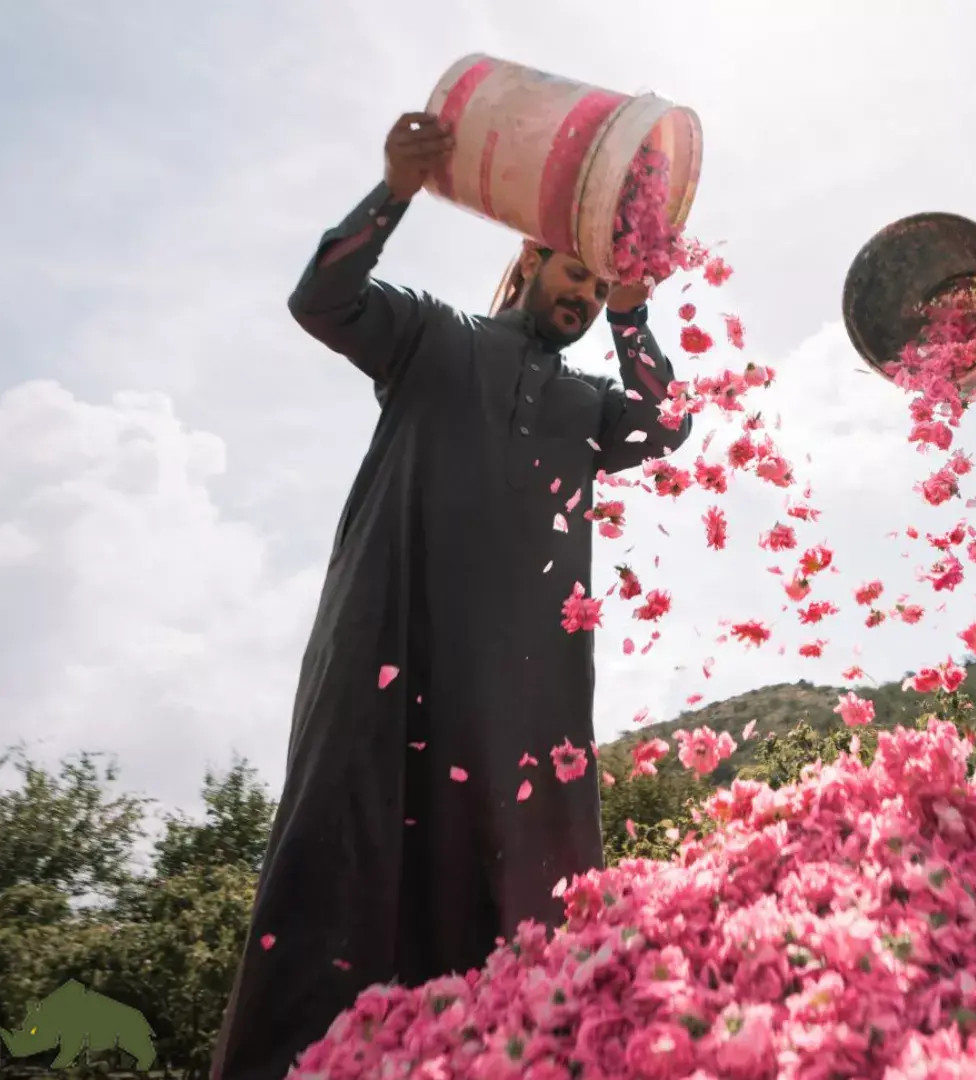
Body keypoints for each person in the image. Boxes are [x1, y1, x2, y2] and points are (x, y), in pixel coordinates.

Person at [210, 112, 693, 1080]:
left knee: (518, 888)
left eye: (597, 288)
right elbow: (323, 300)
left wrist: (634, 315)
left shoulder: (585, 407)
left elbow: (665, 422)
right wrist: (395, 190)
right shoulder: (432, 336)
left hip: (523, 696)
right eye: (573, 273)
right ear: (529, 260)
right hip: (392, 648)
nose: (583, 296)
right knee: (347, 852)